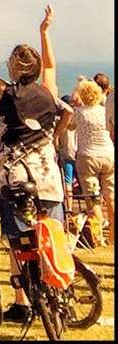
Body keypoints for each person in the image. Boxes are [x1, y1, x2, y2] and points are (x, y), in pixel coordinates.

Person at [0, 3, 69, 322]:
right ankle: (56, 298)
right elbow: (51, 65)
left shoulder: (5, 93)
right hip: (48, 176)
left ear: (13, 68)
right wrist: (45, 33)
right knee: (51, 235)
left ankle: (22, 301)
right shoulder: (49, 92)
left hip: (16, 178)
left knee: (19, 240)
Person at [73, 78, 113, 246]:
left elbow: (68, 126)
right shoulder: (103, 111)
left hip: (88, 156)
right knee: (111, 196)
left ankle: (98, 238)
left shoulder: (79, 113)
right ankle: (113, 234)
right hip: (109, 154)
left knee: (93, 198)